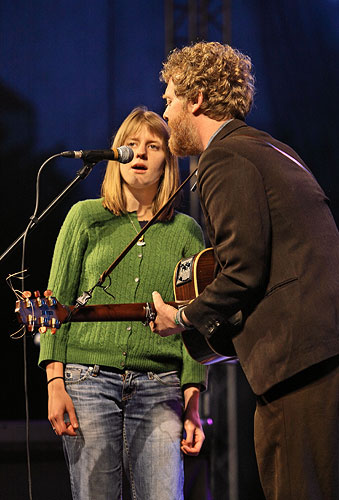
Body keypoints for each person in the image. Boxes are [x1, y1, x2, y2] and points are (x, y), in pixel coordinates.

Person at [150, 41, 339, 500]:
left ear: (196, 99)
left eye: (170, 98)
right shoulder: (270, 148)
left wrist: (183, 318)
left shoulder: (224, 158)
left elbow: (243, 270)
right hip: (320, 356)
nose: (166, 112)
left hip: (296, 364)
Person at [38, 106, 207, 500]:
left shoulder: (186, 231)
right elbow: (54, 305)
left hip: (160, 386)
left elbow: (196, 323)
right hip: (87, 383)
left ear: (169, 158)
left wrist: (193, 400)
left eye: (153, 146)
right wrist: (54, 383)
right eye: (131, 145)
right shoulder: (84, 218)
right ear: (116, 155)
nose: (141, 153)